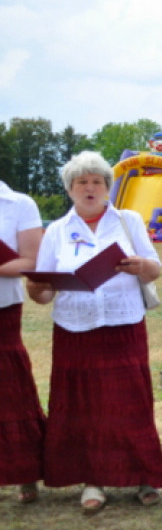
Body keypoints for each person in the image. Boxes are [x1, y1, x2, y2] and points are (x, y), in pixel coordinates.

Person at [25, 151, 162, 514]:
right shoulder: (57, 230)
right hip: (75, 329)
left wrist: (141, 266)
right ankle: (93, 480)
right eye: (81, 183)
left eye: (97, 182)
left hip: (123, 326)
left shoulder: (128, 220)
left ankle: (142, 476)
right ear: (70, 189)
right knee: (82, 408)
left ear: (108, 187)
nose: (89, 188)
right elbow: (44, 293)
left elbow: (155, 270)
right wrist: (36, 288)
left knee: (130, 402)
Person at [0, 180, 45, 504]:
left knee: (10, 389)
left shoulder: (19, 203)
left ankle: (25, 471)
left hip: (3, 307)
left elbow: (31, 262)